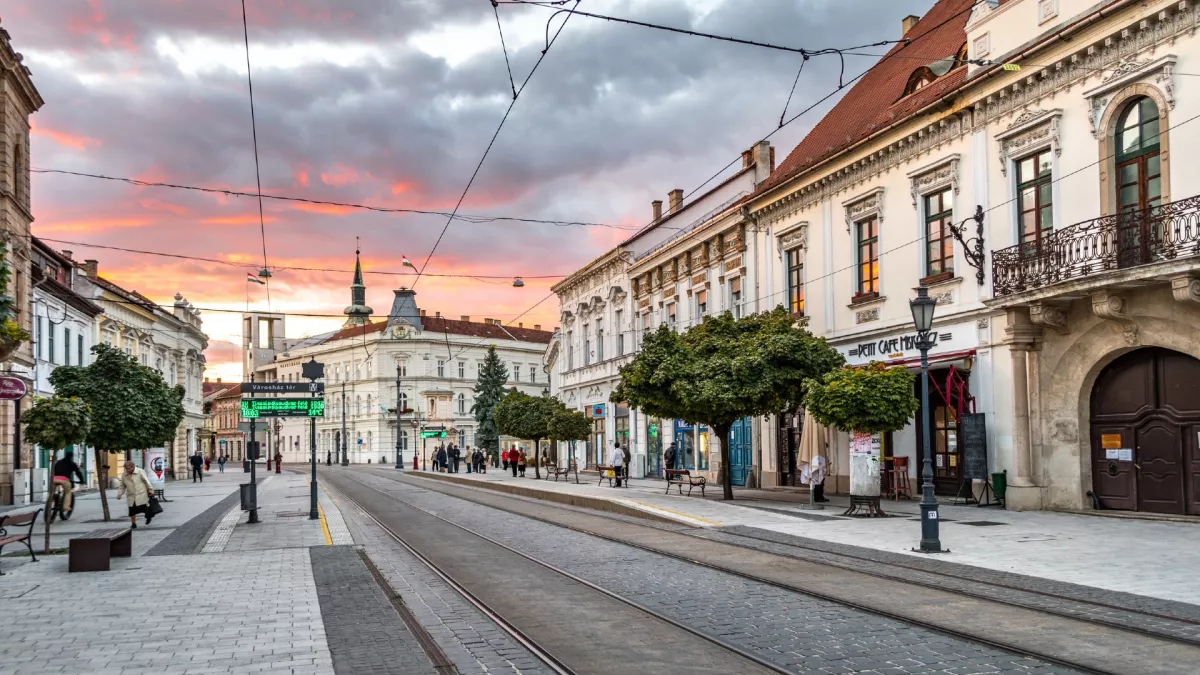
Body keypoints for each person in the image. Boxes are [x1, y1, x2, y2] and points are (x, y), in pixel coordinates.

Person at [116, 460, 155, 528]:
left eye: (128, 468)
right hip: (131, 495)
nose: (127, 470)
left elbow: (146, 481)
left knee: (144, 508)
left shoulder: (140, 471)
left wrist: (150, 489)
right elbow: (122, 485)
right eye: (126, 469)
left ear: (132, 467)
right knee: (131, 510)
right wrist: (119, 494)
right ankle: (133, 524)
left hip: (141, 494)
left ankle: (149, 516)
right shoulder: (124, 474)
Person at [51, 450, 85, 517]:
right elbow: (78, 473)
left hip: (54, 479)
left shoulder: (58, 462)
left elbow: (54, 470)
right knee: (68, 492)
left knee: (52, 491)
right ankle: (66, 506)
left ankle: (51, 498)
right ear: (71, 457)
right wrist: (81, 480)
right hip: (64, 480)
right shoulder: (72, 464)